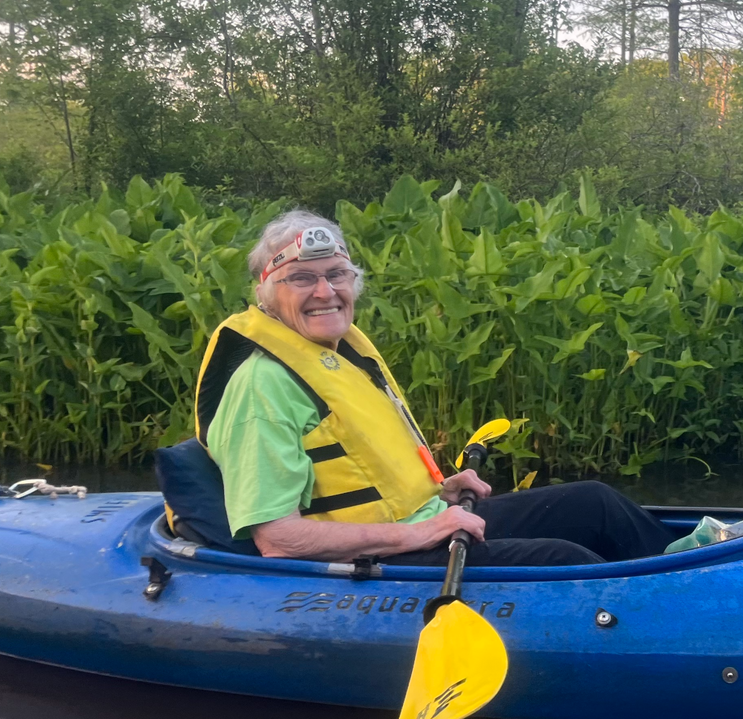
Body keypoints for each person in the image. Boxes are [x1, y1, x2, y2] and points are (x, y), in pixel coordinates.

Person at [192, 209, 676, 566]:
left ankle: (700, 568)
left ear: (353, 281)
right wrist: (420, 534)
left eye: (336, 275)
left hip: (425, 523)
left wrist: (442, 494)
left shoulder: (342, 356)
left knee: (593, 502)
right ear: (265, 290)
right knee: (563, 558)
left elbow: (368, 476)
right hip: (375, 557)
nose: (325, 292)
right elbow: (278, 540)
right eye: (301, 278)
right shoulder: (262, 386)